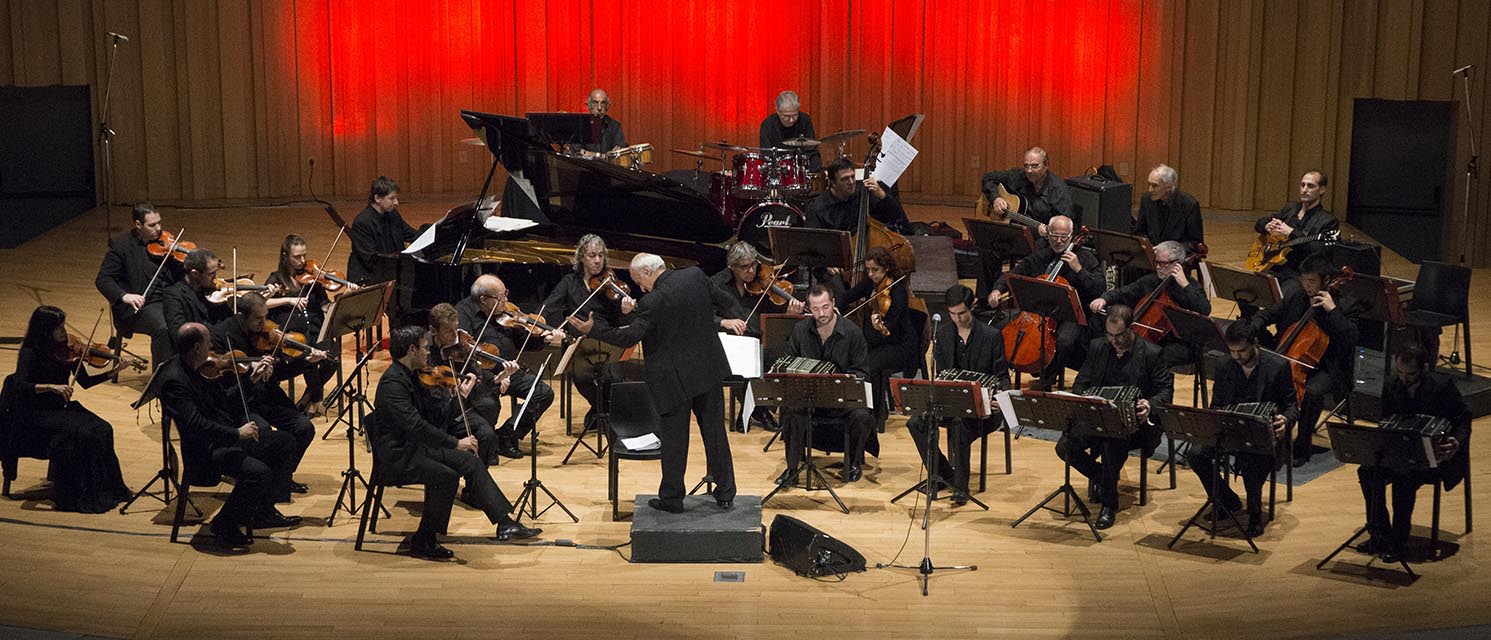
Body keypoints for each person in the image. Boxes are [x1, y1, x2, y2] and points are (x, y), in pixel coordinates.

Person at [567, 254, 742, 512]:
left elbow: (629, 338)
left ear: (648, 272)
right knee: (715, 433)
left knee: (674, 440)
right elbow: (725, 301)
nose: (640, 288)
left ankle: (672, 499)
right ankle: (726, 492)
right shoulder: (694, 275)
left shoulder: (652, 301)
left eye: (639, 281)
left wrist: (592, 330)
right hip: (707, 370)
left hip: (673, 379)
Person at [372, 325, 539, 560]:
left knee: (469, 462)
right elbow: (417, 427)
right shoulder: (393, 384)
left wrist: (460, 396)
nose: (429, 352)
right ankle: (424, 540)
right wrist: (454, 443)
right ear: (411, 350)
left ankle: (505, 523)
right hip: (399, 454)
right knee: (447, 475)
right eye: (425, 348)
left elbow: (437, 419)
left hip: (416, 446)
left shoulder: (412, 376)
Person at [158, 323, 301, 549]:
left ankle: (262, 510)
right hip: (205, 452)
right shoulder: (175, 381)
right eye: (208, 343)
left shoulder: (199, 369)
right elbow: (196, 425)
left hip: (223, 439)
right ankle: (224, 523)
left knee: (285, 442)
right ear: (197, 348)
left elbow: (225, 402)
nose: (212, 346)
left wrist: (251, 380)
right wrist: (237, 433)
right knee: (259, 474)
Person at [1, 306, 132, 513]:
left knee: (103, 428)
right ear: (45, 330)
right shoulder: (29, 353)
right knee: (85, 433)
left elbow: (86, 382)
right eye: (58, 327)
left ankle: (107, 488)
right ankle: (79, 493)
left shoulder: (65, 349)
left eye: (63, 325)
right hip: (35, 414)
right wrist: (49, 387)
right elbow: (19, 386)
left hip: (60, 409)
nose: (63, 331)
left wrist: (114, 371)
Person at [1056, 305, 1173, 529]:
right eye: (1109, 335)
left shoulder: (1151, 353)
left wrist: (1149, 404)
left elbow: (1165, 391)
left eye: (1119, 336)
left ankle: (1109, 505)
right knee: (1065, 446)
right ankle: (1103, 477)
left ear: (1132, 329)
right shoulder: (1098, 347)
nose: (1114, 341)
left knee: (1112, 445)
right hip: (1097, 419)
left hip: (1136, 425)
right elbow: (1082, 382)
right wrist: (1085, 400)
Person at [1357, 345, 1472, 563]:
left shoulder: (1442, 386)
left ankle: (1398, 542)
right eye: (1400, 373)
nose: (1404, 379)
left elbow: (1463, 420)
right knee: (1367, 472)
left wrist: (1456, 442)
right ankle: (1380, 533)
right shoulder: (1392, 385)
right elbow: (1386, 420)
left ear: (1423, 369)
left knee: (1404, 478)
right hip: (1401, 452)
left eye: (1411, 374)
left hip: (1437, 458)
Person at [1248, 253, 1359, 467]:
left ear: (1326, 280)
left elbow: (1351, 338)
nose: (1306, 286)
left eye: (1311, 281)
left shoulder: (1346, 305)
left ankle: (1303, 444)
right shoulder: (1296, 296)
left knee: (1312, 390)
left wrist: (1332, 310)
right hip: (1293, 359)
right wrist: (1253, 325)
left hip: (1329, 367)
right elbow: (1269, 314)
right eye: (1304, 280)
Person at [1187, 320, 1295, 536]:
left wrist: (1284, 420)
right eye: (1232, 351)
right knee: (1195, 453)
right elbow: (1216, 404)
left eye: (1242, 351)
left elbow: (1292, 405)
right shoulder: (1225, 365)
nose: (1237, 356)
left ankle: (1255, 515)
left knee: (1249, 459)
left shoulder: (1277, 366)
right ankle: (1225, 500)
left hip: (1264, 435)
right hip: (1230, 431)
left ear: (1255, 343)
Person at [209, 293, 322, 496]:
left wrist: (305, 362)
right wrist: (251, 376)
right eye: (259, 319)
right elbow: (222, 387)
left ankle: (282, 477)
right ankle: (265, 486)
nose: (265, 324)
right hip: (241, 400)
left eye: (265, 317)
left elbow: (279, 373)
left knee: (304, 428)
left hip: (266, 395)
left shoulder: (267, 335)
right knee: (265, 435)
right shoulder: (221, 335)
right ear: (242, 317)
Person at [905, 285, 1009, 505]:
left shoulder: (991, 336)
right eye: (952, 314)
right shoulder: (942, 334)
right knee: (915, 423)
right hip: (951, 404)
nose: (957, 319)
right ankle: (943, 473)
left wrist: (997, 396)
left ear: (971, 307)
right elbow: (942, 373)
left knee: (961, 427)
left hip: (984, 411)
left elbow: (1002, 377)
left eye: (962, 313)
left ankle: (961, 488)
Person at [988, 215, 1103, 391]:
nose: (1058, 241)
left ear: (1072, 236)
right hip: (1037, 313)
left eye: (1064, 237)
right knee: (1000, 329)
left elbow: (1099, 288)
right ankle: (1001, 378)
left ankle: (1047, 379)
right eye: (1054, 235)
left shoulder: (1085, 258)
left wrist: (1079, 269)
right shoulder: (1041, 255)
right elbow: (1014, 273)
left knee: (1065, 341)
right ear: (1047, 234)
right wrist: (998, 289)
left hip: (1070, 315)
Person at [777, 284, 876, 484]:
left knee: (862, 415)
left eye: (825, 307)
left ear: (833, 304)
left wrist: (840, 381)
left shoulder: (853, 333)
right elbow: (787, 363)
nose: (821, 313)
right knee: (789, 408)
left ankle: (854, 463)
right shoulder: (801, 330)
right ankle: (792, 469)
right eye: (815, 309)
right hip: (809, 399)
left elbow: (862, 374)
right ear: (808, 308)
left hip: (841, 401)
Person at [456, 275, 556, 453]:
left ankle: (507, 435)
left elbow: (522, 341)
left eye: (505, 295)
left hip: (511, 370)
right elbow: (465, 355)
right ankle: (486, 443)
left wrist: (545, 339)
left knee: (543, 393)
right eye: (500, 298)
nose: (506, 301)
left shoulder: (505, 314)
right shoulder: (463, 314)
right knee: (489, 404)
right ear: (484, 300)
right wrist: (494, 378)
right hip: (482, 378)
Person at [711, 241, 793, 431]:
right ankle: (760, 411)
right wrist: (724, 322)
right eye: (744, 267)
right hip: (729, 341)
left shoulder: (763, 282)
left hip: (758, 339)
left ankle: (752, 409)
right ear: (732, 267)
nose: (751, 270)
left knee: (778, 358)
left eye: (753, 264)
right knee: (747, 360)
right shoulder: (716, 284)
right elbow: (702, 314)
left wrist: (788, 306)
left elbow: (774, 307)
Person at [1089, 241, 1211, 367]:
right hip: (1153, 339)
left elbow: (1204, 309)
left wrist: (1184, 285)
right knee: (1109, 346)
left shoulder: (1190, 284)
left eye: (1163, 264)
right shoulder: (1151, 281)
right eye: (1156, 262)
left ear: (1177, 264)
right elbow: (1123, 292)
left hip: (1181, 343)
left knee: (1153, 356)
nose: (1158, 267)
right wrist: (1104, 299)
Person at [264, 234, 349, 416]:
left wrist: (342, 302)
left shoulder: (313, 278)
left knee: (332, 358)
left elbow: (324, 305)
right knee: (308, 358)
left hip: (316, 329)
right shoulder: (277, 279)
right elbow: (261, 304)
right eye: (297, 257)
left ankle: (310, 395)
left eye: (304, 255)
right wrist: (288, 300)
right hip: (293, 334)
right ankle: (316, 399)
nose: (303, 261)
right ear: (285, 256)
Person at [840, 246, 922, 432]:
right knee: (863, 362)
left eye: (875, 270)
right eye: (868, 269)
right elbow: (847, 296)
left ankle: (875, 414)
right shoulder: (871, 284)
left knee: (869, 365)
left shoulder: (898, 290)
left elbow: (890, 325)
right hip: (879, 342)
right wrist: (837, 308)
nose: (871, 274)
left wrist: (879, 326)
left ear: (886, 268)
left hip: (900, 344)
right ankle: (872, 412)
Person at [427, 302, 519, 462]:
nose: (455, 335)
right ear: (433, 331)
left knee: (487, 435)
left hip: (458, 409)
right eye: (448, 331)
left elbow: (478, 380)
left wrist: (499, 378)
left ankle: (476, 476)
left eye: (456, 329)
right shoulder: (425, 351)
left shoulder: (461, 349)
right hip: (434, 412)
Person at [95, 202, 182, 368]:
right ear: (138, 224)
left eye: (159, 223)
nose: (158, 229)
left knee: (195, 314)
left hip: (168, 298)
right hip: (139, 306)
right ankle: (161, 379)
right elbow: (103, 279)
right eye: (152, 225)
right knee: (163, 328)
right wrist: (124, 296)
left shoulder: (166, 242)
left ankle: (187, 371)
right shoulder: (121, 246)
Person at [1254, 170, 1338, 298]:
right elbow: (1259, 224)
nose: (1304, 190)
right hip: (1274, 265)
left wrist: (1291, 232)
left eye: (1310, 186)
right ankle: (1248, 317)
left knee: (1285, 295)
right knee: (1246, 286)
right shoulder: (1290, 209)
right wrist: (1267, 225)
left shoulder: (1328, 221)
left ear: (1322, 190)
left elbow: (1321, 252)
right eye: (1302, 185)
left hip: (1298, 273)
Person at [980, 146, 1073, 236]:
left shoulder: (1058, 190)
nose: (1029, 171)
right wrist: (996, 198)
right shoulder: (1018, 175)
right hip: (1010, 230)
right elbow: (987, 178)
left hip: (1039, 237)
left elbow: (1064, 225)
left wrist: (1049, 233)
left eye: (1035, 166)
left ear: (1046, 165)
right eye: (1026, 166)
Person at [805, 158, 911, 234]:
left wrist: (882, 195)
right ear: (833, 183)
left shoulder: (864, 192)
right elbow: (814, 246)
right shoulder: (818, 208)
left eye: (853, 177)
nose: (851, 182)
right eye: (845, 179)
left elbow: (901, 222)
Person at [347, 176, 418, 284]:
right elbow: (371, 260)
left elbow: (410, 234)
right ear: (377, 198)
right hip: (369, 277)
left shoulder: (392, 214)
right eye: (392, 198)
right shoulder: (363, 222)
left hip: (390, 270)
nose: (396, 203)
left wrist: (434, 235)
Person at [160, 248, 239, 342]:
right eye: (211, 274)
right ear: (195, 273)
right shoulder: (173, 295)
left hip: (221, 340)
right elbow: (179, 332)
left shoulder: (211, 291)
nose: (216, 277)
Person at [1132, 164, 1204, 255]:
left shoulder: (1189, 204)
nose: (1150, 190)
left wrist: (1169, 252)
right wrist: (1148, 246)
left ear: (1169, 187)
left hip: (1175, 258)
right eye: (1149, 184)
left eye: (1155, 186)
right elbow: (1139, 231)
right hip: (1151, 254)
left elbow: (1195, 243)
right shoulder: (1147, 199)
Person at [759, 90, 821, 171]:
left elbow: (811, 150)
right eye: (787, 116)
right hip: (778, 169)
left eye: (795, 115)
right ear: (777, 111)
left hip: (802, 168)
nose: (791, 120)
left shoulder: (805, 120)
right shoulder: (768, 125)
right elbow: (766, 154)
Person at [569, 88, 626, 159]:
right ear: (588, 106)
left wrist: (587, 153)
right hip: (584, 168)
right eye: (595, 103)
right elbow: (576, 152)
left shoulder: (614, 126)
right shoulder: (579, 125)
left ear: (607, 106)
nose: (599, 107)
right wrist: (603, 156)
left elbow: (620, 153)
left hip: (608, 168)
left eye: (603, 103)